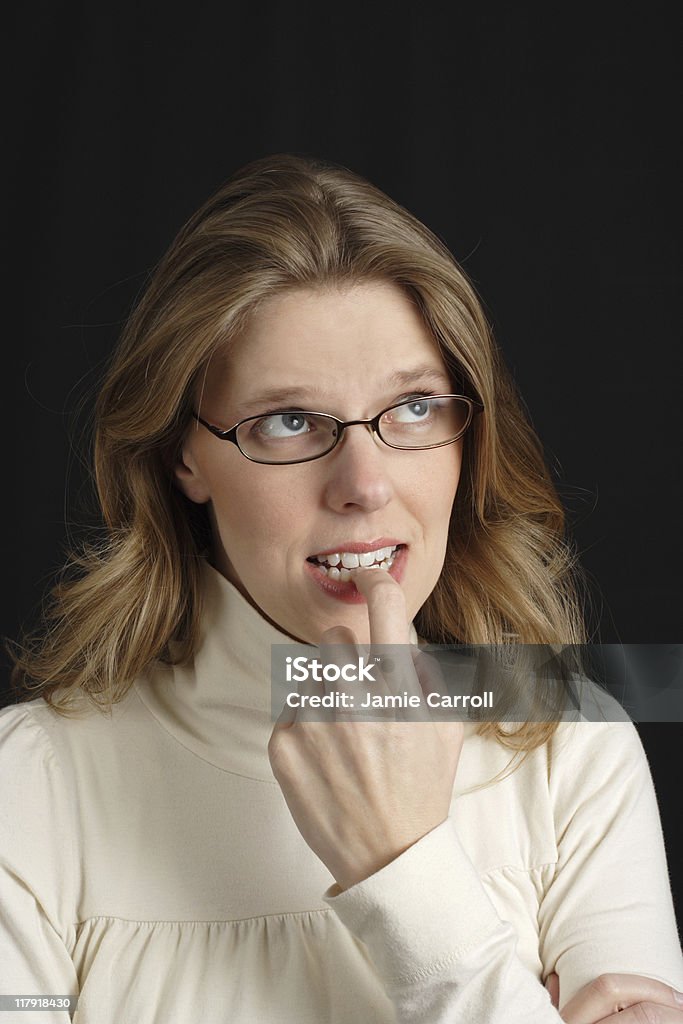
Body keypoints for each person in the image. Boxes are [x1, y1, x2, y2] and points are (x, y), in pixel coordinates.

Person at [2, 153, 682, 1024]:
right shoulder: (27, 789)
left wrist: (403, 867)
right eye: (289, 421)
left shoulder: (572, 753)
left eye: (413, 409)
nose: (364, 482)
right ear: (183, 455)